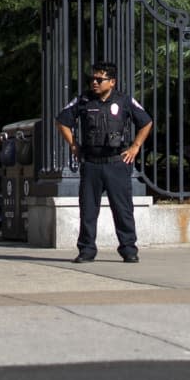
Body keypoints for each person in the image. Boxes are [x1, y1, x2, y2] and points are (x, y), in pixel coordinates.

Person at [55, 61, 153, 264]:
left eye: (100, 79)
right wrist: (74, 144)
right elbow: (62, 121)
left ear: (112, 82)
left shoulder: (124, 101)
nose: (94, 83)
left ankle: (128, 249)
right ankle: (86, 250)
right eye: (92, 79)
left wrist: (135, 146)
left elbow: (146, 122)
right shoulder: (83, 100)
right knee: (88, 210)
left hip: (116, 163)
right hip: (91, 163)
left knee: (123, 209)